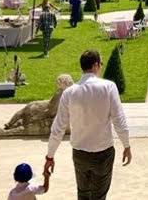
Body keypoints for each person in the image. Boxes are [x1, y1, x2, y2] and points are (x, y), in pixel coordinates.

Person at [45, 50, 131, 200]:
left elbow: (58, 128)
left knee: (83, 194)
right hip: (103, 152)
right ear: (96, 65)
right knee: (99, 196)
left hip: (80, 153)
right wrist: (127, 145)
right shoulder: (109, 87)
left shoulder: (69, 93)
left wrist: (50, 156)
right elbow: (119, 120)